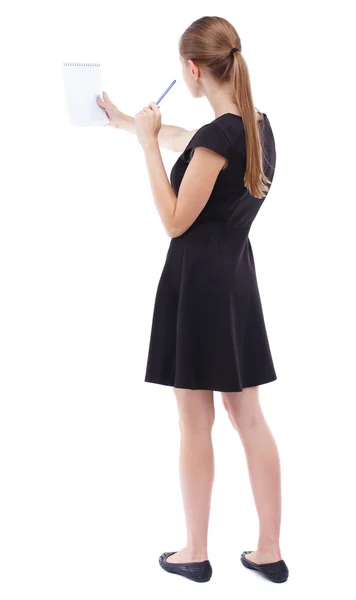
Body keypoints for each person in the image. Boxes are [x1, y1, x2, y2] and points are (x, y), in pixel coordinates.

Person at [97, 15, 289, 586]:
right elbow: (191, 142)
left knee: (195, 421)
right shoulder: (255, 127)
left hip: (198, 280)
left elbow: (176, 220)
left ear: (193, 68)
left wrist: (145, 151)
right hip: (234, 280)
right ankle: (270, 551)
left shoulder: (220, 137)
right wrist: (136, 125)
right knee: (247, 416)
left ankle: (194, 551)